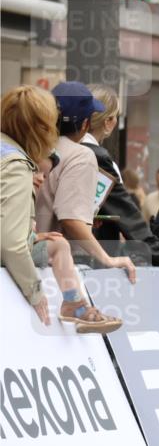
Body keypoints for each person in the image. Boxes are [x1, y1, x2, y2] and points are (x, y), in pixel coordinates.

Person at [1, 85, 122, 333]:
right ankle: (76, 306)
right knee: (59, 245)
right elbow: (10, 243)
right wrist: (36, 293)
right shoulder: (16, 166)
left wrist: (31, 236)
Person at [82, 84, 159, 288]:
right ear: (109, 122)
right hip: (92, 264)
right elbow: (129, 218)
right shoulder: (98, 159)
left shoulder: (59, 150)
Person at [34, 82, 137, 283]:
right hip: (56, 271)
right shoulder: (81, 155)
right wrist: (107, 258)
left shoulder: (32, 146)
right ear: (84, 125)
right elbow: (71, 219)